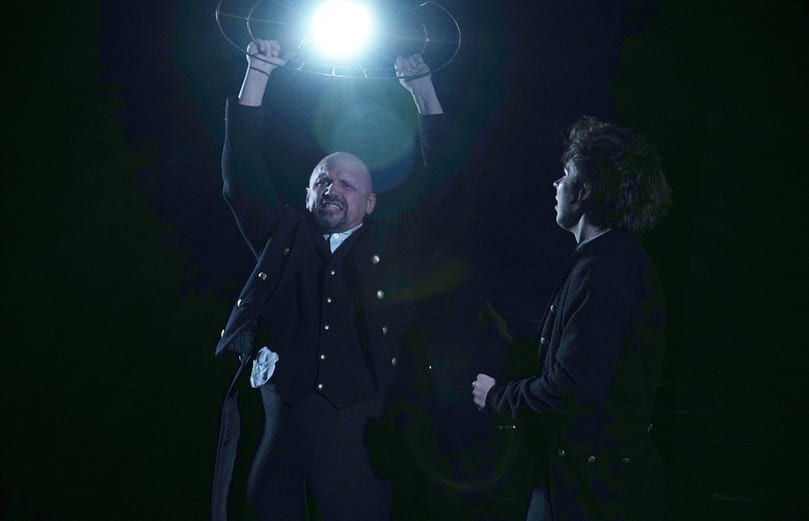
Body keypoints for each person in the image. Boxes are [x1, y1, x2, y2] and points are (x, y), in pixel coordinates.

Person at [211, 39, 452, 521]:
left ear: (370, 203)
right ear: (307, 194)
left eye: (346, 184)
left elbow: (445, 185)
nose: (331, 189)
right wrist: (258, 71)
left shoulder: (394, 244)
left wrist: (422, 89)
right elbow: (241, 177)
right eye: (322, 180)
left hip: (357, 444)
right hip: (280, 441)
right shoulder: (282, 234)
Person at [472, 116, 672, 520]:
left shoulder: (604, 270)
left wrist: (497, 397)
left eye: (565, 174)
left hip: (591, 492)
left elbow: (573, 388)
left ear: (585, 190)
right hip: (583, 481)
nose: (556, 183)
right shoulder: (607, 261)